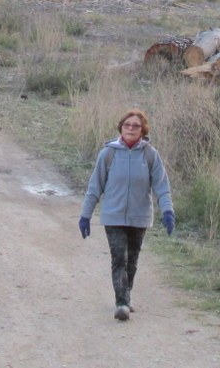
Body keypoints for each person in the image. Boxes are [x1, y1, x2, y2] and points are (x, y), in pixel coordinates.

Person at [78, 109, 175, 322]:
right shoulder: (108, 154)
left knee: (132, 260)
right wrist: (85, 215)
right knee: (118, 258)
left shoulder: (150, 155)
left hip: (139, 216)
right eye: (127, 125)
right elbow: (95, 187)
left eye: (136, 126)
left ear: (143, 130)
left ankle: (126, 294)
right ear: (121, 127)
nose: (131, 128)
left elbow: (161, 186)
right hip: (113, 216)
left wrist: (167, 210)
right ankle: (121, 302)